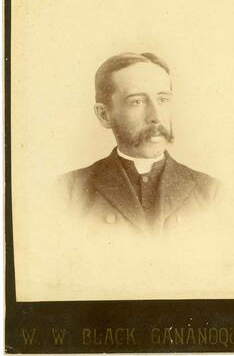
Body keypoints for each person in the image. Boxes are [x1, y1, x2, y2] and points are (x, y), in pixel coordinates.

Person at [60, 52, 219, 234]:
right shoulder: (69, 192)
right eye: (137, 101)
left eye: (163, 99)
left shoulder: (212, 192)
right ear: (104, 115)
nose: (156, 117)